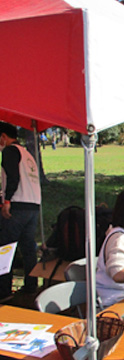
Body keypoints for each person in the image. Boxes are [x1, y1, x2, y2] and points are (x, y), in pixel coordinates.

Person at [0, 122, 41, 302]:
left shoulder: (9, 151)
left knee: (6, 248)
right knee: (28, 247)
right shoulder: (27, 154)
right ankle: (31, 284)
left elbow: (12, 176)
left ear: (3, 137)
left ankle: (4, 290)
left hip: (17, 203)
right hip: (33, 204)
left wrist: (7, 200)